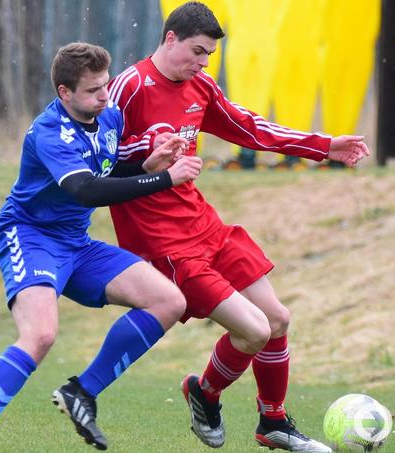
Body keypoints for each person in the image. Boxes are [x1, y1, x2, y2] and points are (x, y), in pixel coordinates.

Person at [104, 2, 370, 451]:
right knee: (254, 331)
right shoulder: (129, 87)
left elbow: (251, 130)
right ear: (170, 39)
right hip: (165, 243)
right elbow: (98, 162)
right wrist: (143, 159)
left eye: (208, 55)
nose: (203, 62)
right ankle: (205, 394)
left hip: (205, 226)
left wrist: (324, 146)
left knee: (278, 319)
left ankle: (273, 421)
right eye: (197, 51)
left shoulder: (200, 86)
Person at [0, 42, 203, 452]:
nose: (105, 95)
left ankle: (81, 392)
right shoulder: (49, 131)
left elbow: (104, 169)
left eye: (105, 85)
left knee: (168, 300)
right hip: (30, 237)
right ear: (65, 93)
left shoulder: (110, 117)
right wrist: (165, 180)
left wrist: (147, 164)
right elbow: (85, 189)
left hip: (76, 243)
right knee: (41, 334)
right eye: (92, 90)